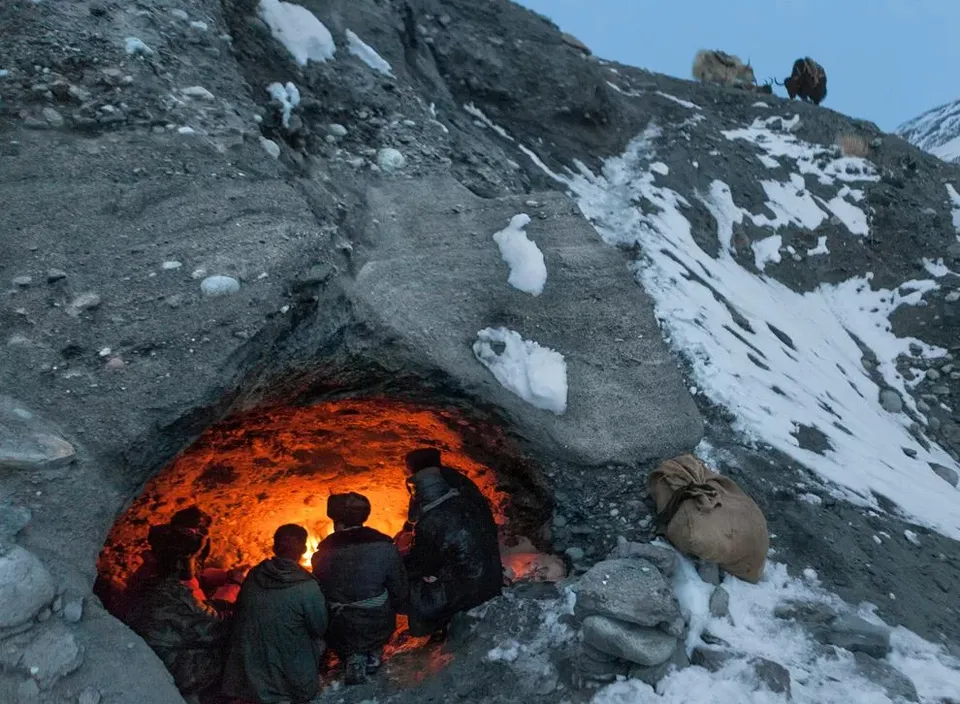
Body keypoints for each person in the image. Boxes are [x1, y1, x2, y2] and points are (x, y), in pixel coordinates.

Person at [126, 523, 236, 700]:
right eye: (193, 558)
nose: (195, 564)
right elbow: (213, 628)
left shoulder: (152, 583)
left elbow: (196, 611)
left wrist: (221, 605)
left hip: (151, 659)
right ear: (180, 562)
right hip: (169, 668)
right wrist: (236, 599)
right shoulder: (175, 594)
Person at [221, 524, 328, 704]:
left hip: (247, 678)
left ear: (274, 547)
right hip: (290, 683)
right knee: (319, 642)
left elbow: (240, 612)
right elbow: (319, 628)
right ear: (303, 549)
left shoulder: (254, 574)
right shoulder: (307, 586)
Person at [311, 492, 408, 685]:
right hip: (376, 624)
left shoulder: (320, 556)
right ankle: (371, 651)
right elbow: (399, 590)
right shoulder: (385, 548)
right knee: (382, 597)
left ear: (337, 521)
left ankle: (351, 655)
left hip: (339, 629)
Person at [402, 467, 502, 640]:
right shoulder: (467, 503)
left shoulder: (431, 521)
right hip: (492, 578)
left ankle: (435, 625)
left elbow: (423, 564)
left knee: (413, 583)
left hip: (470, 590)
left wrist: (401, 562)